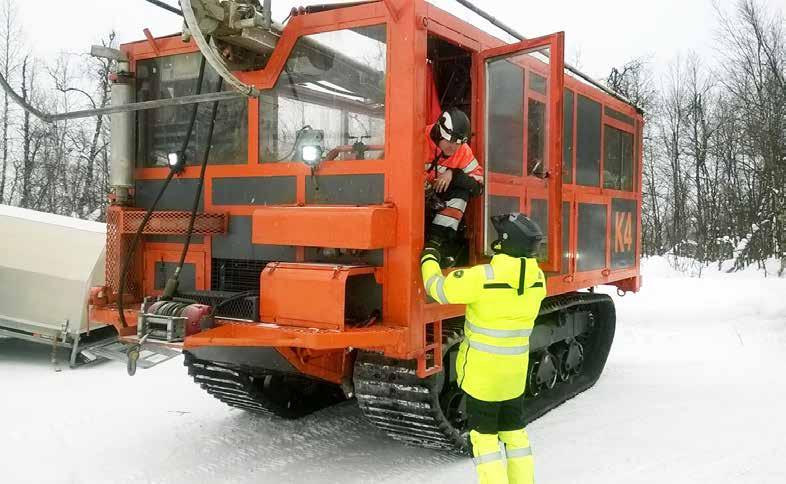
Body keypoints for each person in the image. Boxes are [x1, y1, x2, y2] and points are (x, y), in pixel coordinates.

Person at [420, 213, 547, 484]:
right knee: (515, 435)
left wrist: (429, 256)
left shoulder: (483, 277)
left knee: (485, 441)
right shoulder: (538, 279)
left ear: (504, 243)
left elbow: (437, 289)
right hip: (513, 377)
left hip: (483, 378)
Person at [424, 108, 484, 259]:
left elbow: (478, 188)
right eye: (450, 142)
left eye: (457, 144)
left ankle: (436, 244)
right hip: (412, 199)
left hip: (440, 200)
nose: (453, 148)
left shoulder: (463, 151)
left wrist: (454, 173)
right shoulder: (418, 139)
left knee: (462, 192)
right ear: (439, 132)